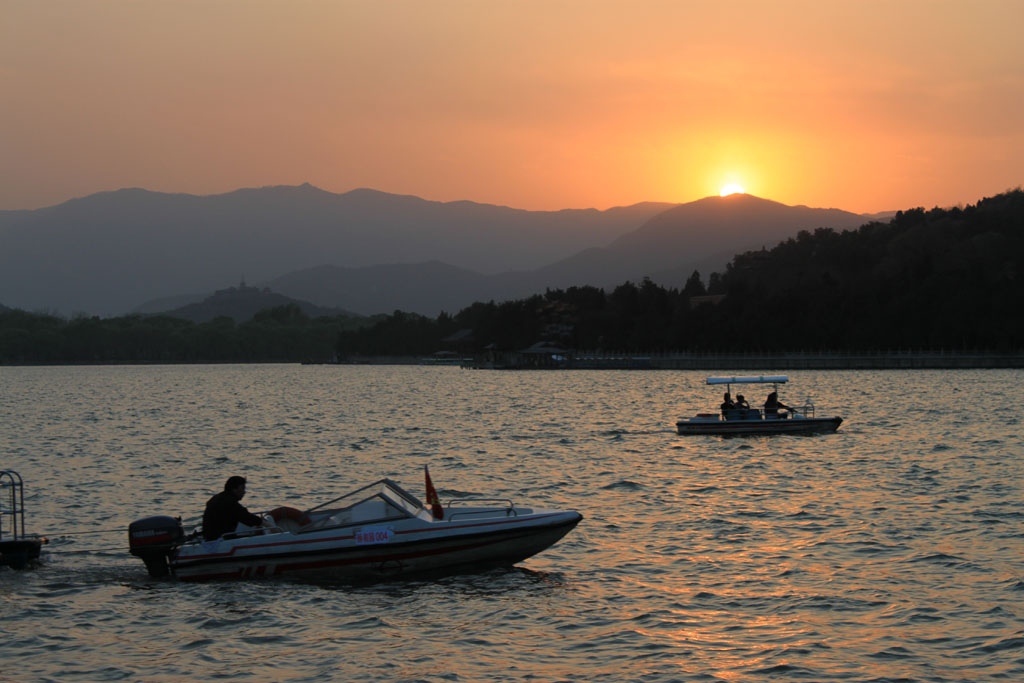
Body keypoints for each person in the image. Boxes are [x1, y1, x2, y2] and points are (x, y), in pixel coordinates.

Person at [202, 476, 266, 541]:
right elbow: (246, 517)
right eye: (242, 488)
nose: (244, 492)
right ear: (234, 489)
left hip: (210, 537)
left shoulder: (218, 497)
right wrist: (264, 523)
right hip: (220, 539)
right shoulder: (230, 503)